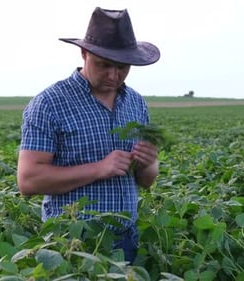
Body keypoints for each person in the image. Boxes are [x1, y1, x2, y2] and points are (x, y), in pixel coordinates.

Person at [17, 7, 160, 264]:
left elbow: (147, 181)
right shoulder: (50, 104)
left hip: (126, 240)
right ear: (84, 53)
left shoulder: (136, 103)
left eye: (122, 67)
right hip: (72, 244)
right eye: (104, 65)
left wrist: (149, 163)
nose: (113, 76)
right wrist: (99, 168)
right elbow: (28, 181)